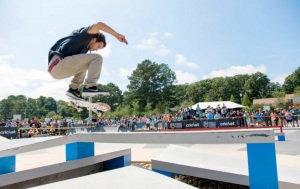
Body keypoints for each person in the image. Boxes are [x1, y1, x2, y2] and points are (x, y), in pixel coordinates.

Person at [48, 22, 128, 100]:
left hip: (57, 69)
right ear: (94, 39)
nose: (96, 49)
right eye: (98, 46)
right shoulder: (84, 35)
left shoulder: (84, 50)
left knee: (87, 63)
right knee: (97, 58)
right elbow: (99, 25)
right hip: (58, 64)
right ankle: (90, 87)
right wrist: (117, 35)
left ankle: (73, 89)